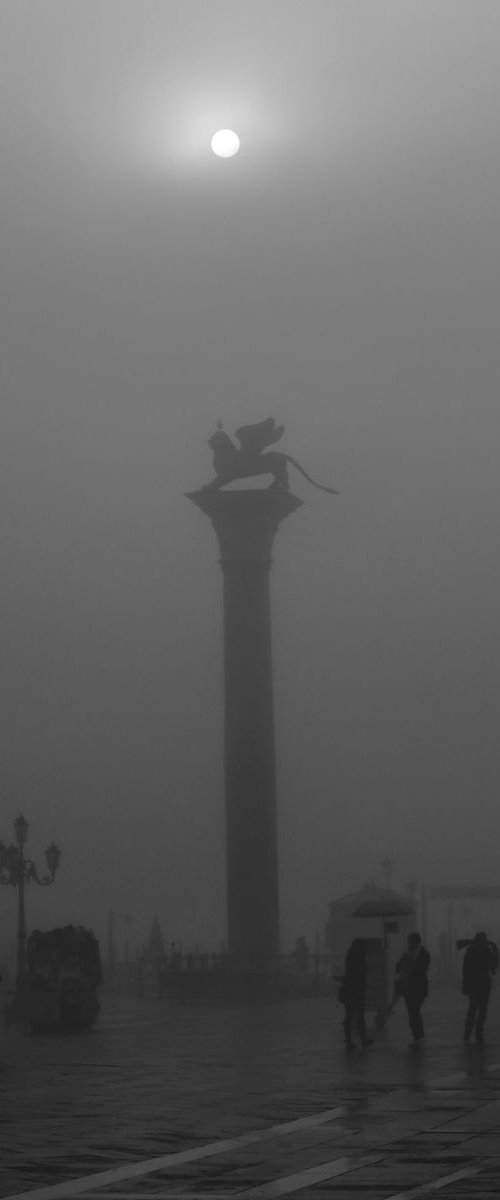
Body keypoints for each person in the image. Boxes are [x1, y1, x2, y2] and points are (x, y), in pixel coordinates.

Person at [462, 932, 498, 1043]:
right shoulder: (484, 950)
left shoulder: (471, 950)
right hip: (480, 984)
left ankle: (469, 1033)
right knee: (479, 1010)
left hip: (477, 984)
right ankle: (477, 1033)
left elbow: (465, 970)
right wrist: (494, 950)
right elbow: (494, 965)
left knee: (475, 1009)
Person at [395, 931, 430, 1044]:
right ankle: (416, 1035)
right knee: (411, 1012)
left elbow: (422, 969)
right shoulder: (406, 955)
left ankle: (420, 1035)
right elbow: (397, 968)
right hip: (407, 987)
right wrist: (402, 961)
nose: (409, 943)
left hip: (419, 987)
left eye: (411, 941)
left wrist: (410, 962)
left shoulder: (424, 954)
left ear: (416, 942)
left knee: (415, 1011)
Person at [339, 938, 373, 1049]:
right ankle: (363, 1040)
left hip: (349, 989)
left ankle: (349, 1041)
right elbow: (363, 972)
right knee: (359, 1015)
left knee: (349, 1015)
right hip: (357, 990)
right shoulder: (360, 958)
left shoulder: (351, 956)